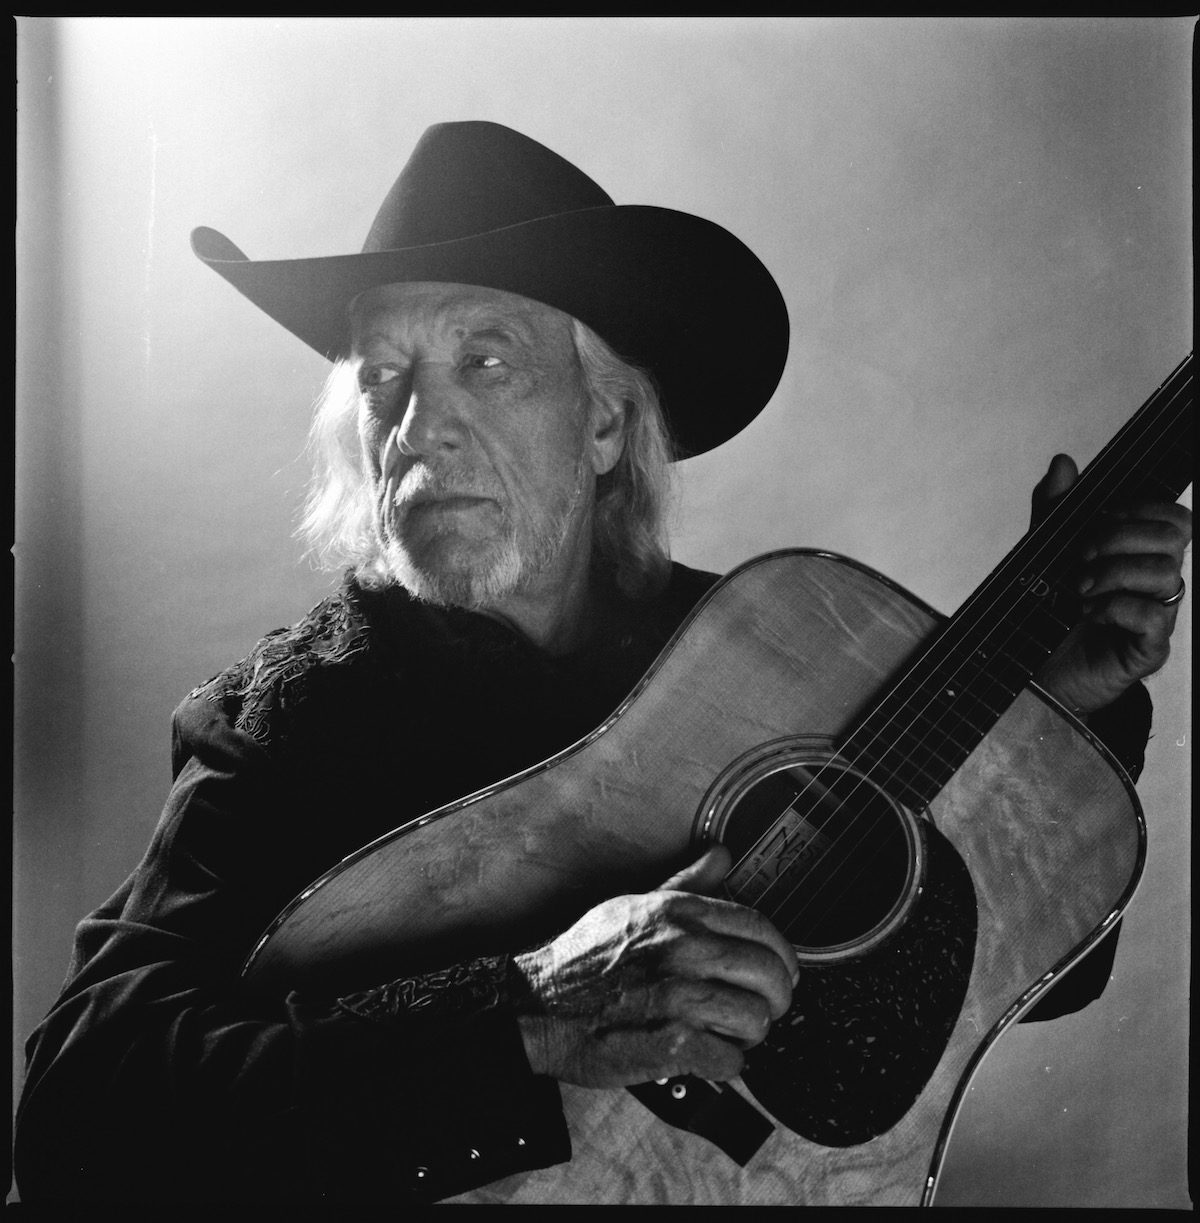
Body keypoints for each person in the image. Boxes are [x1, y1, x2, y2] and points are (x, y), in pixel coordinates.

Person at [14, 121, 1190, 1206]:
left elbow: (1021, 973)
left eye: (484, 361)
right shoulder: (288, 716)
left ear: (606, 424)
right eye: (383, 374)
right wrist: (527, 1008)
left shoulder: (764, 657)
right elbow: (77, 1115)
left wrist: (1065, 701)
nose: (418, 425)